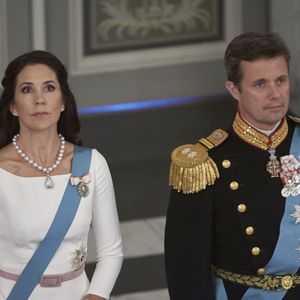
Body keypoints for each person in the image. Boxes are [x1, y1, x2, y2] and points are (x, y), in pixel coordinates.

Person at [165, 32, 300, 299]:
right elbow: (186, 269)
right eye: (260, 84)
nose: (275, 94)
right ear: (234, 90)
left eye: (281, 81)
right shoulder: (205, 165)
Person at [0, 50, 123, 300]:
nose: (39, 99)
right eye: (26, 90)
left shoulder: (92, 163)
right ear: (13, 106)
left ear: (63, 101)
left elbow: (111, 252)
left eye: (49, 88)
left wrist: (96, 296)